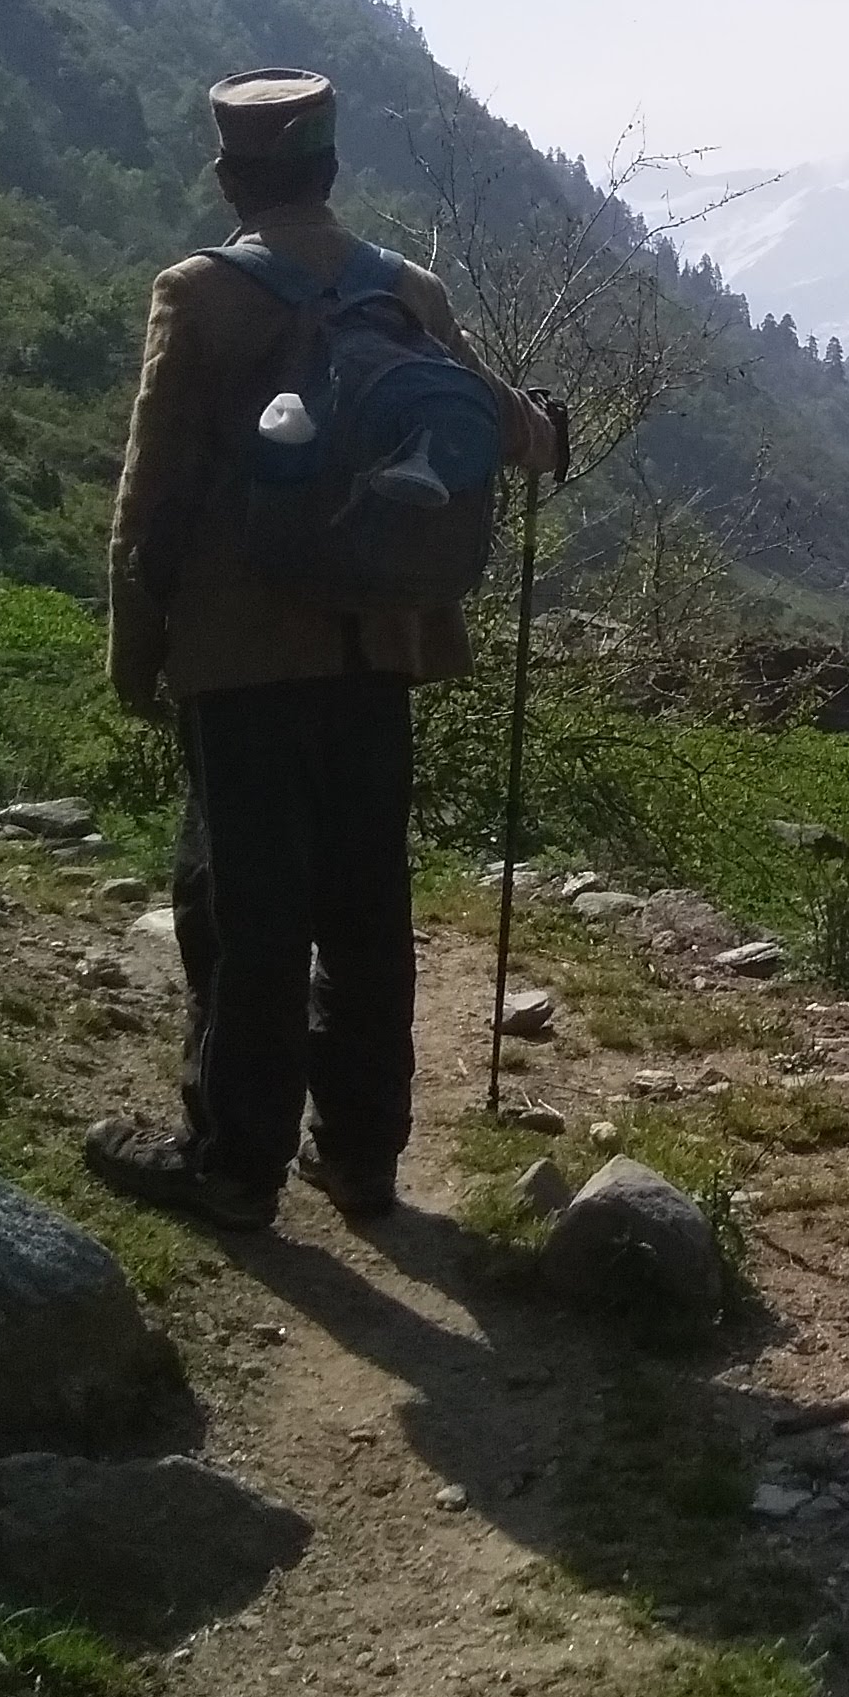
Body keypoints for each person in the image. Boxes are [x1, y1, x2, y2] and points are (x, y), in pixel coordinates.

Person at [84, 67, 557, 1228]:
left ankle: (234, 1161)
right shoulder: (407, 290)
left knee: (245, 908)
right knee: (363, 904)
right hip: (374, 647)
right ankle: (360, 1158)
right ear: (332, 168)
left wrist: (134, 655)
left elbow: (150, 499)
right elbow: (506, 430)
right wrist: (547, 427)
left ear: (229, 172)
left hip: (239, 658)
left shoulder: (198, 295)